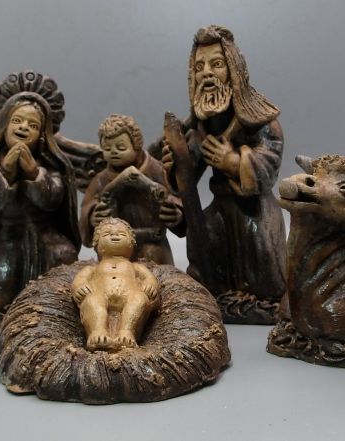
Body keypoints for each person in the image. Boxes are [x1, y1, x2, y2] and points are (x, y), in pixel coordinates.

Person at [160, 25, 286, 323]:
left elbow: (270, 162)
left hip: (255, 209)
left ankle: (265, 300)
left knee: (262, 252)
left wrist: (233, 161)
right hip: (220, 208)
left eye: (216, 64)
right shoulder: (201, 127)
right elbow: (186, 180)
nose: (207, 73)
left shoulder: (260, 120)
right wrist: (175, 165)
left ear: (234, 71)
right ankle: (212, 293)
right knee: (203, 237)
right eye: (199, 67)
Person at [0, 92, 81, 329]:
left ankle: (52, 311)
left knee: (65, 259)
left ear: (42, 136)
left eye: (33, 125)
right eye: (17, 121)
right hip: (6, 237)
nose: (23, 127)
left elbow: (53, 199)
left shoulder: (49, 165)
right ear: (3, 126)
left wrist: (33, 172)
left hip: (45, 235)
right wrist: (5, 170)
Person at [81, 114, 184, 264]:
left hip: (152, 242)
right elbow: (87, 207)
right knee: (113, 265)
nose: (114, 152)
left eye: (121, 147)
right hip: (114, 245)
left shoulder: (157, 170)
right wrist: (92, 217)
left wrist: (176, 214)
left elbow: (175, 195)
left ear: (136, 145)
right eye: (107, 148)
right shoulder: (101, 179)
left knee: (152, 257)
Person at [72, 217, 160, 351]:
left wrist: (150, 284)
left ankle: (127, 332)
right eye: (107, 234)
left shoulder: (136, 267)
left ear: (132, 243)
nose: (115, 236)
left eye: (122, 234)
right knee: (92, 301)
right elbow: (80, 279)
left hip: (129, 296)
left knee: (139, 299)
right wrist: (79, 286)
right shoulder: (92, 269)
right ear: (97, 244)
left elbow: (149, 278)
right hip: (100, 295)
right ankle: (98, 332)